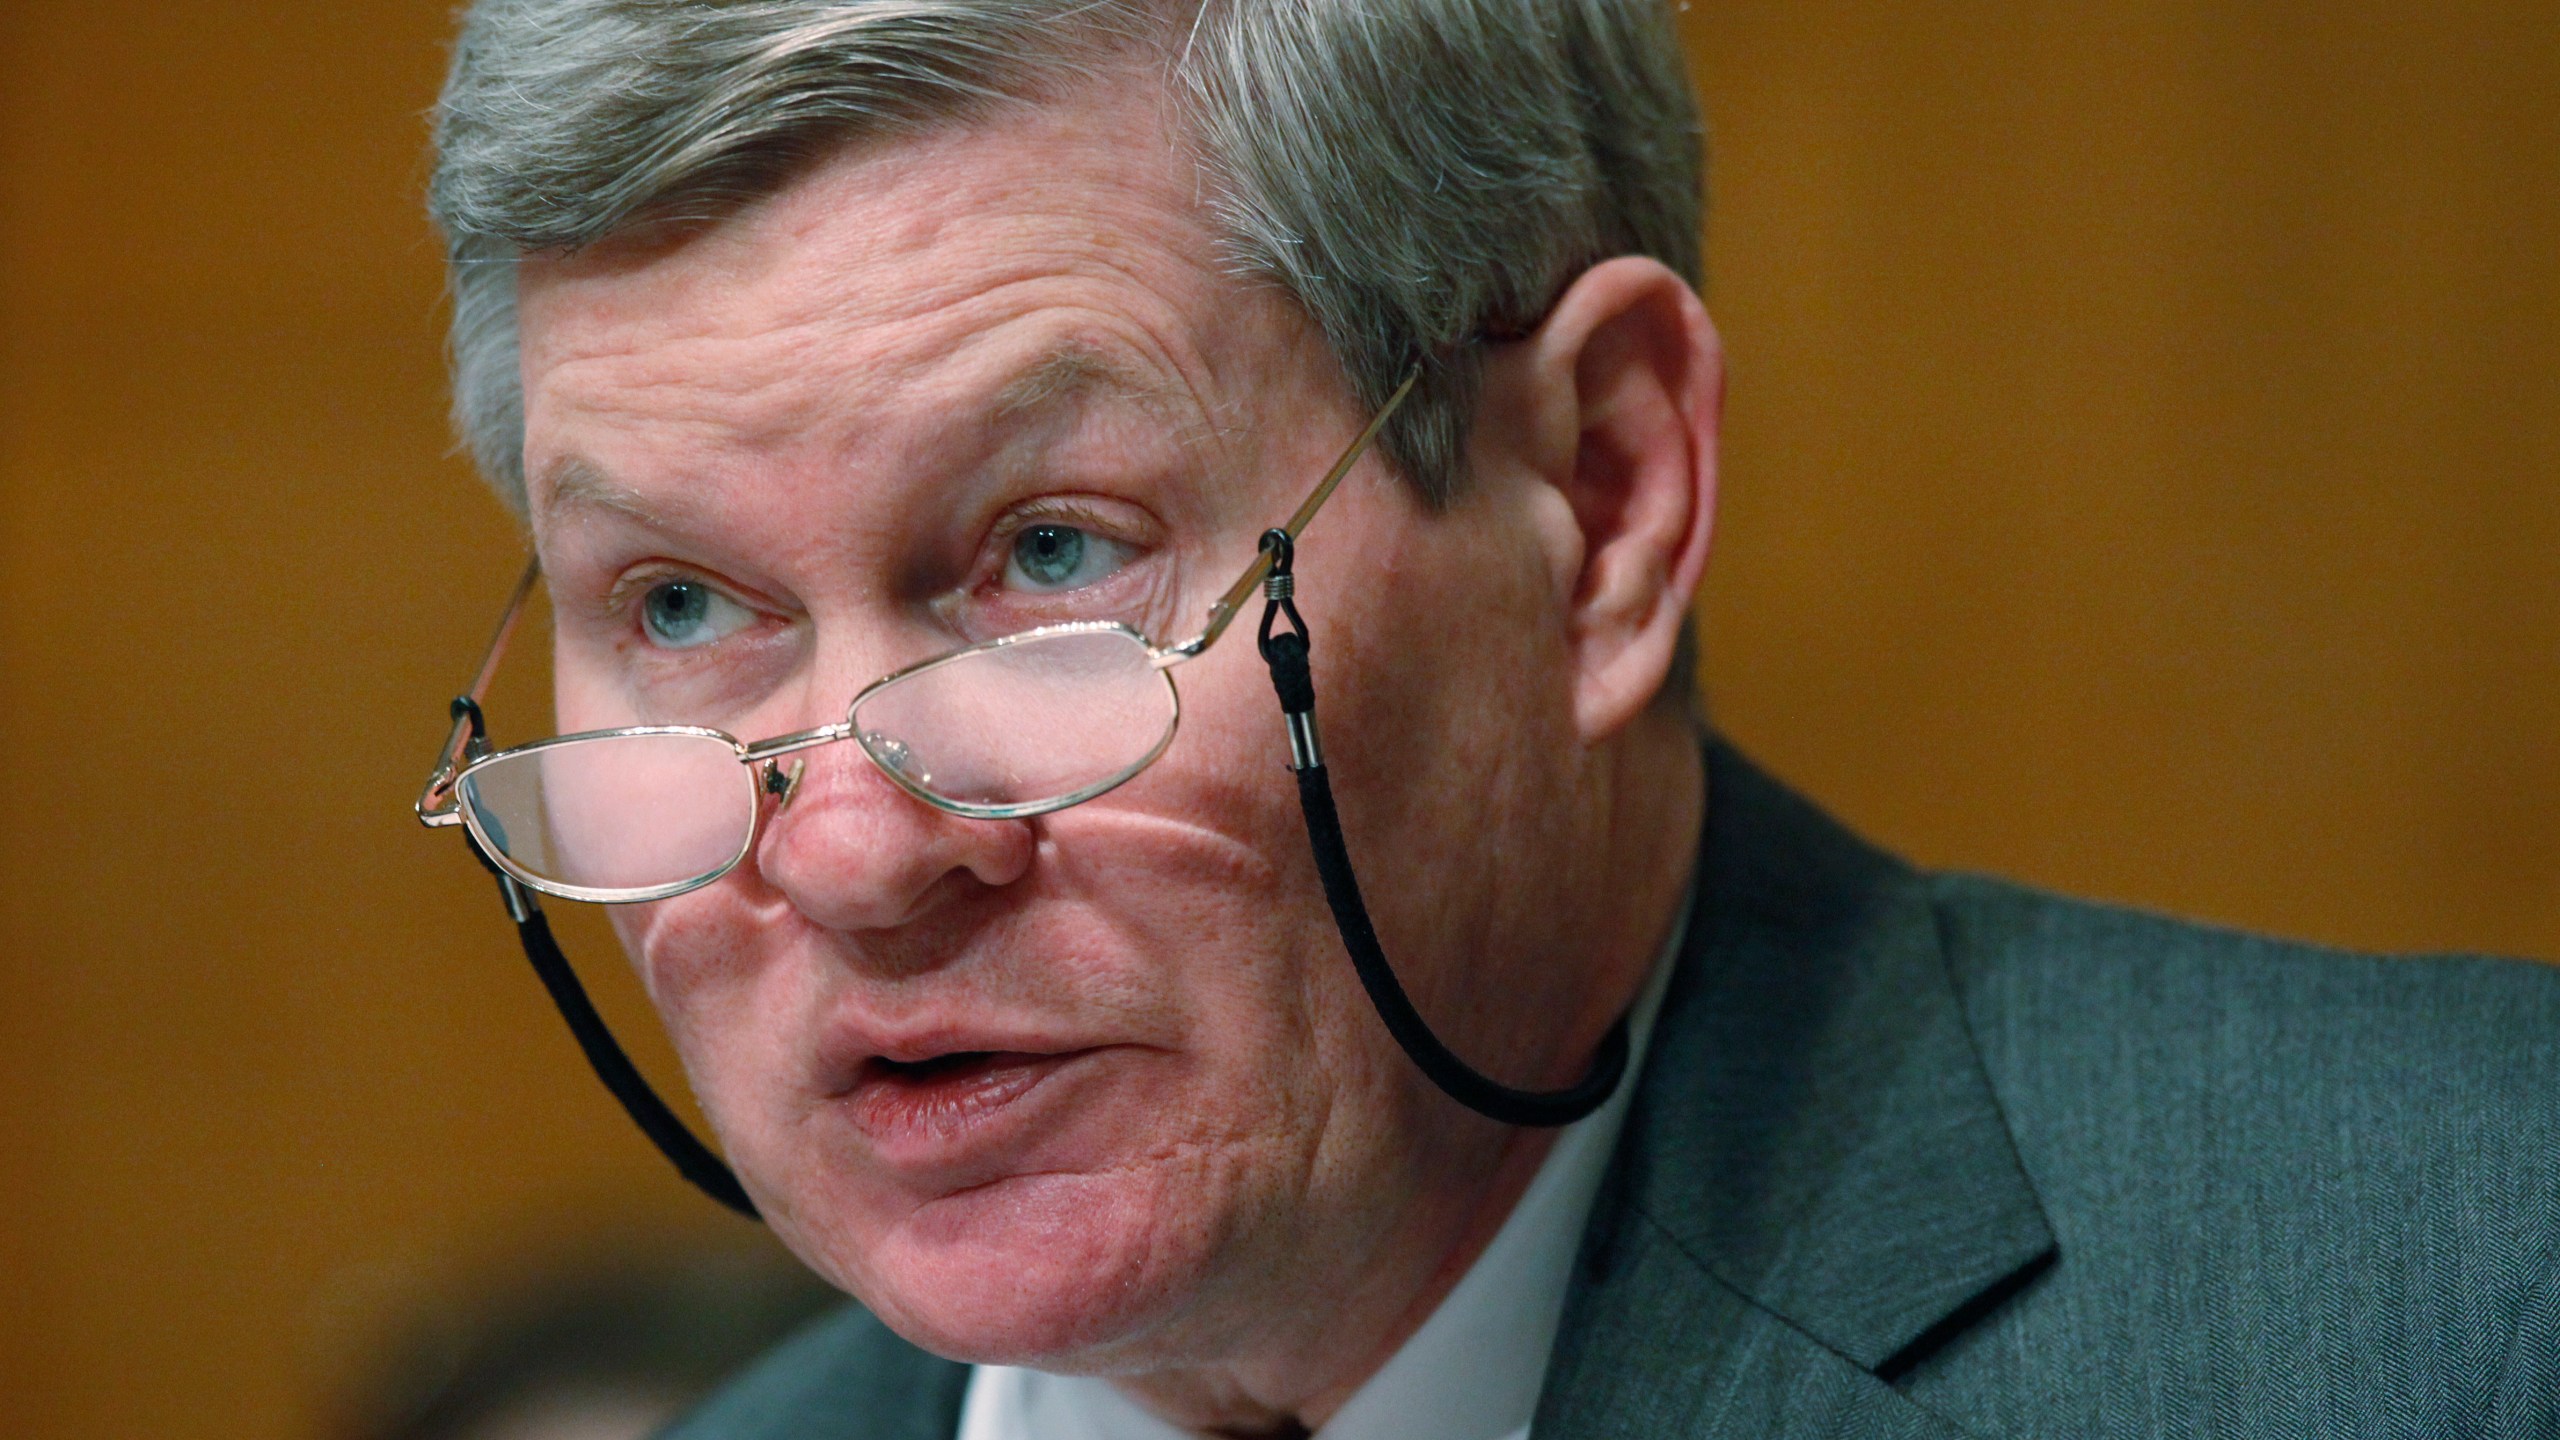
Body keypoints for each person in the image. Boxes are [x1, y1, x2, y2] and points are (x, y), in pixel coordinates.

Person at [411, 3, 2560, 1436]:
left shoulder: (2458, 1290)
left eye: (1053, 553)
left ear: (1600, 501)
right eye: (680, 603)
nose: (861, 857)